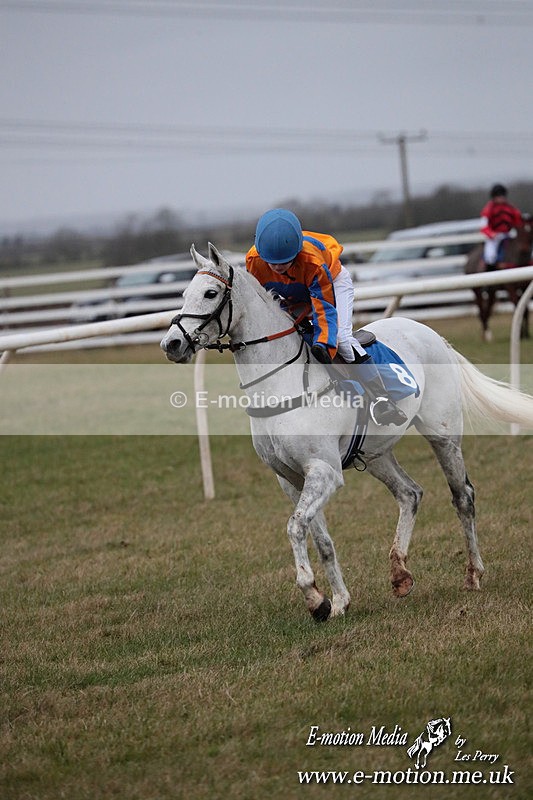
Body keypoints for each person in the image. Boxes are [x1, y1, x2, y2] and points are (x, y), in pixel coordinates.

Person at [246, 208, 407, 426]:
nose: (277, 267)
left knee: (340, 337)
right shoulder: (254, 262)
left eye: (284, 261)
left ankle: (381, 397)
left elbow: (323, 307)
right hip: (294, 290)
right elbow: (267, 300)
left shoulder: (312, 261)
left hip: (331, 283)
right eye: (272, 262)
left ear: (296, 251)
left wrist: (324, 343)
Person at [480, 184, 523, 268]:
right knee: (490, 255)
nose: (501, 198)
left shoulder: (511, 208)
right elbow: (483, 226)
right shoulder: (488, 209)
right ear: (494, 197)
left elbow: (518, 222)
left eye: (502, 196)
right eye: (499, 196)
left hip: (508, 234)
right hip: (494, 237)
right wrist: (492, 234)